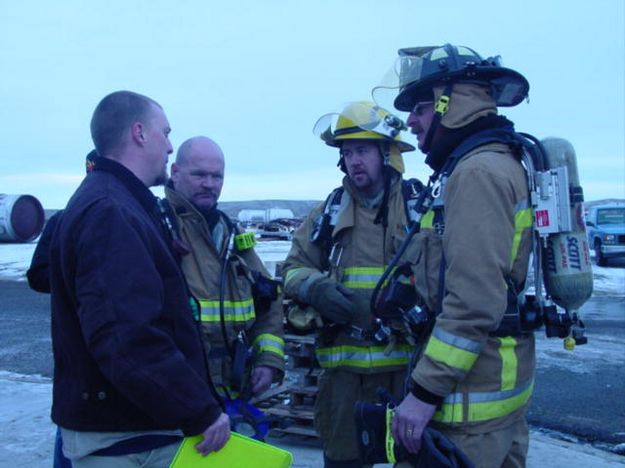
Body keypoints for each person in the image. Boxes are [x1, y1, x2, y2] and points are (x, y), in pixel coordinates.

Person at [48, 91, 229, 467]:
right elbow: (125, 338)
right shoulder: (110, 212)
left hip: (132, 429)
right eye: (165, 132)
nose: (169, 146)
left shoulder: (118, 202)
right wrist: (200, 411)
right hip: (125, 438)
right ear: (139, 133)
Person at [375, 44, 535, 467]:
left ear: (451, 103)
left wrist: (424, 393)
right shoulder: (496, 162)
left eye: (420, 107)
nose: (410, 121)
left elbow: (473, 303)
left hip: (467, 410)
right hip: (492, 405)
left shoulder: (477, 173)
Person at [282, 101, 420, 467]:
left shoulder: (418, 209)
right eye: (347, 152)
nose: (354, 160)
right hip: (343, 382)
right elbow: (293, 269)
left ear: (387, 153)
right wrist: (316, 289)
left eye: (362, 150)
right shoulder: (327, 213)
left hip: (404, 376)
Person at [165, 136, 285, 411]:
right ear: (175, 172)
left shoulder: (233, 236)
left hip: (232, 390)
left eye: (216, 176)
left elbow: (268, 301)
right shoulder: (157, 228)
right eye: (199, 175)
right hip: (177, 394)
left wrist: (268, 360)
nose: (209, 184)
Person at [27, 150, 98, 468]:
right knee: (74, 416)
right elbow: (38, 276)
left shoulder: (136, 214)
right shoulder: (63, 221)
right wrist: (80, 276)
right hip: (77, 339)